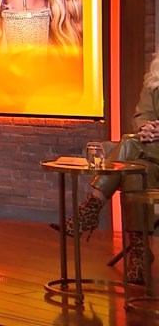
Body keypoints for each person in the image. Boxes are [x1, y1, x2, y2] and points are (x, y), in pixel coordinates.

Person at [54, 52, 159, 283]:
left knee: (126, 145)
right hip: (150, 157)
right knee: (135, 170)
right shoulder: (154, 80)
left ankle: (90, 207)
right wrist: (146, 129)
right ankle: (139, 255)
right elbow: (141, 115)